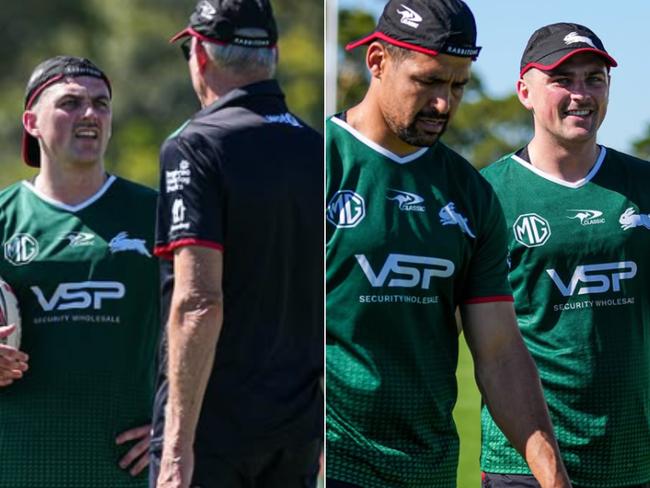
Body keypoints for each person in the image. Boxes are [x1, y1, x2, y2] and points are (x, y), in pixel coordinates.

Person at [325, 1, 572, 487]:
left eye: (458, 85)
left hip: (430, 470)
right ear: (377, 62)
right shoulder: (321, 163)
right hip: (335, 464)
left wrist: (552, 476)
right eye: (429, 81)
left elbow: (499, 351)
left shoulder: (469, 192)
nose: (444, 103)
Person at [151, 1, 323, 487]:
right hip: (297, 435)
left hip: (213, 434)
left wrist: (177, 449)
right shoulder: (319, 150)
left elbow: (199, 302)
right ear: (273, 54)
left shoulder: (195, 144)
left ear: (200, 55)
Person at [480, 22, 650, 488]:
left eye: (594, 78)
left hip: (633, 460)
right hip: (523, 466)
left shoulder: (643, 185)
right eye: (562, 79)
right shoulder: (486, 195)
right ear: (525, 91)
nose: (581, 93)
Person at [0, 56, 160, 487]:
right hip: (17, 466)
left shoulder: (155, 213)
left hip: (124, 472)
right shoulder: (4, 217)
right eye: (70, 103)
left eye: (101, 104)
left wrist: (182, 423)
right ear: (31, 121)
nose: (90, 114)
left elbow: (216, 315)